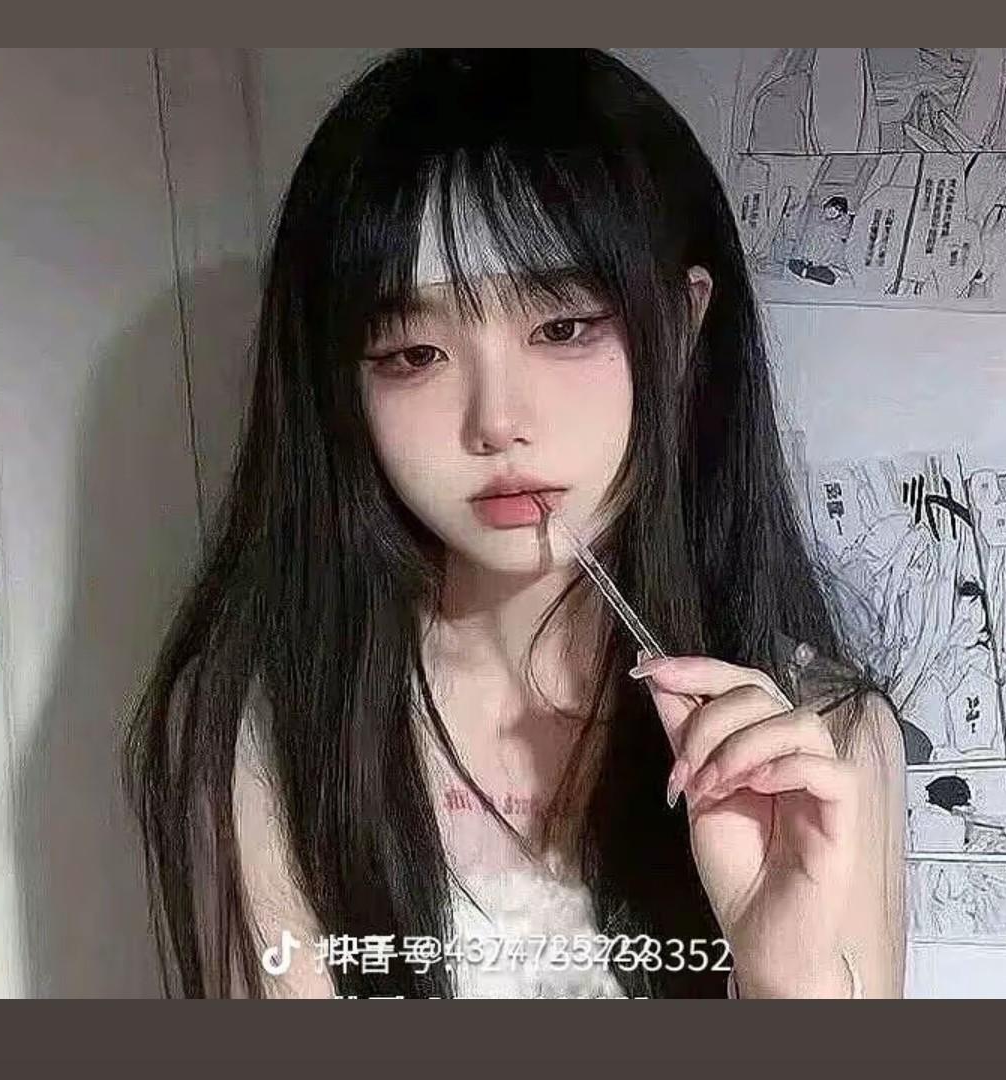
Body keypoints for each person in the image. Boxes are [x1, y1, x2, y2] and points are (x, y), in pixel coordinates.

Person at [122, 48, 908, 999]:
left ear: (682, 327)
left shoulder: (818, 739)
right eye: (414, 353)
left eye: (562, 328)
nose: (495, 421)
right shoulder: (265, 731)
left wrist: (790, 980)